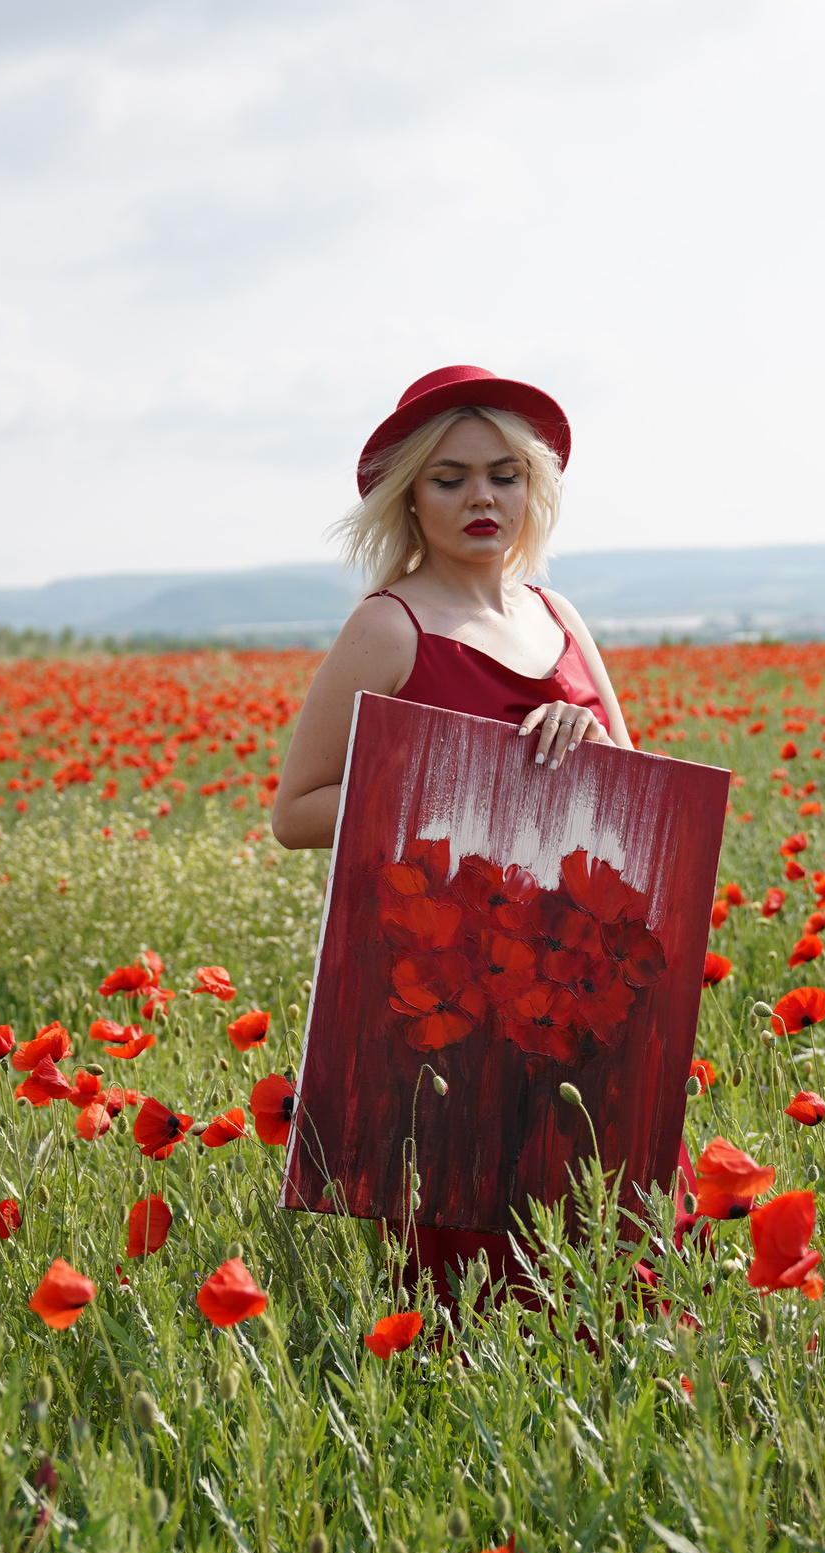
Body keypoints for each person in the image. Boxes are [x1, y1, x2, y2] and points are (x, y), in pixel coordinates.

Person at [271, 365, 636, 1306]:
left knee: (610, 1264)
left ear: (534, 489)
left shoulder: (561, 617)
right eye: (451, 478)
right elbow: (297, 807)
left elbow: (636, 802)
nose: (483, 496)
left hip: (573, 994)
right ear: (410, 496)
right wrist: (458, 781)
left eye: (505, 474)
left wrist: (590, 745)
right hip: (449, 1011)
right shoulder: (389, 628)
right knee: (468, 1294)